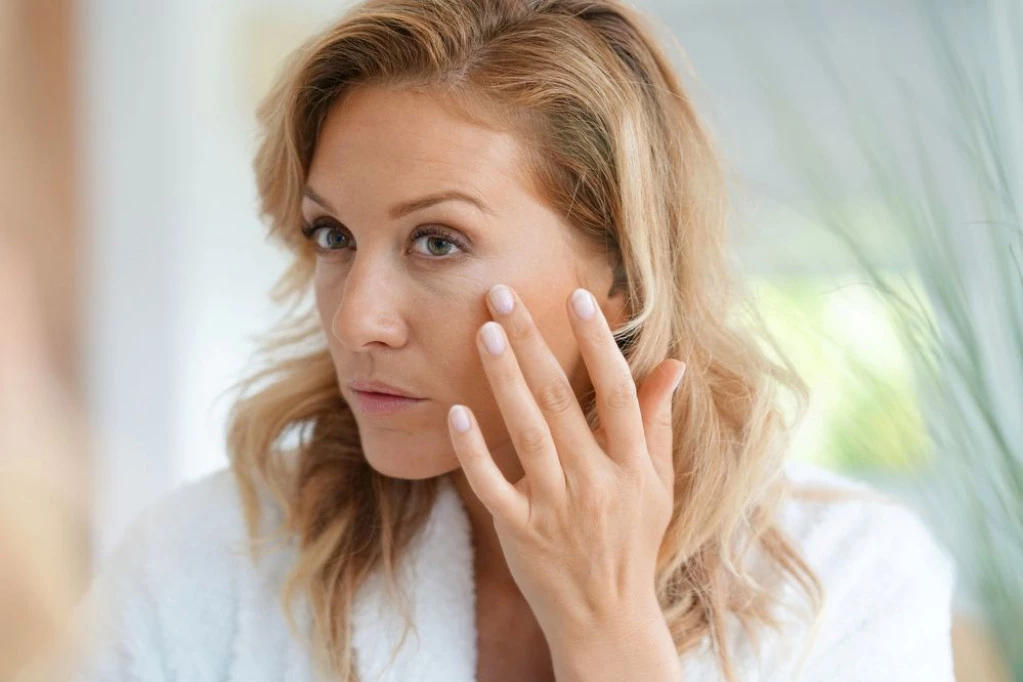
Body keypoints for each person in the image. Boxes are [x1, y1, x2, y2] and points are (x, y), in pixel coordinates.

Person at [19, 0, 956, 680]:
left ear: (623, 270)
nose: (356, 319)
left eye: (438, 242)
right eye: (332, 235)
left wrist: (607, 630)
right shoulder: (209, 557)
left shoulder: (846, 579)